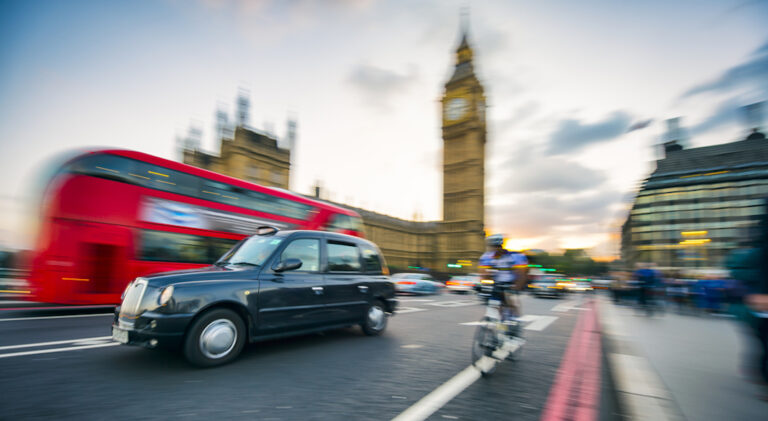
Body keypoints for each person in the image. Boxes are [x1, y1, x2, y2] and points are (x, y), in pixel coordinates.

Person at [478, 234, 528, 325]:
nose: (495, 249)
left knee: (510, 300)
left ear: (501, 246)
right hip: (497, 283)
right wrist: (484, 280)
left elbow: (521, 274)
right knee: (495, 305)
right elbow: (483, 273)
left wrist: (516, 288)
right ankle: (499, 325)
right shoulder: (486, 257)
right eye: (492, 247)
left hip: (511, 282)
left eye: (497, 247)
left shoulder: (514, 256)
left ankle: (514, 322)